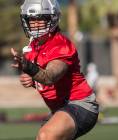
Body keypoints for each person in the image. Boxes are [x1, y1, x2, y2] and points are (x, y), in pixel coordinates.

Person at [11, 0, 99, 140]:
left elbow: (49, 77)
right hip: (59, 108)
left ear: (52, 19)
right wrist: (31, 79)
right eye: (31, 19)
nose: (35, 23)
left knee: (47, 136)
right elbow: (40, 77)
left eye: (40, 19)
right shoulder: (32, 46)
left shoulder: (60, 45)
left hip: (80, 104)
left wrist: (29, 67)